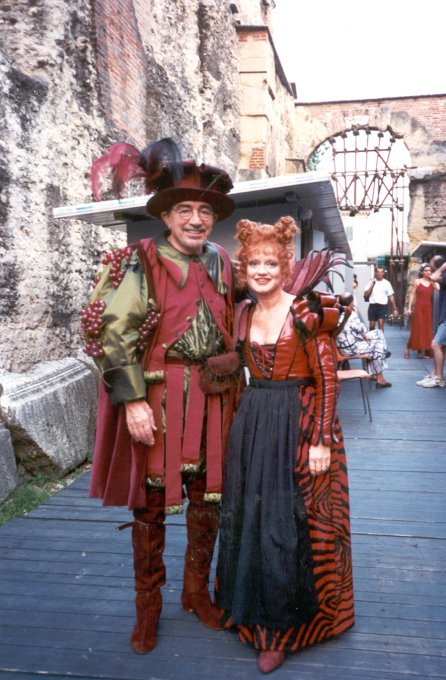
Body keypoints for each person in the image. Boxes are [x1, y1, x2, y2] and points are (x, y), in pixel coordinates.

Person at [82, 140, 238, 654]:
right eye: (184, 210)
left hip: (214, 401)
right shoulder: (142, 261)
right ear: (167, 216)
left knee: (208, 503)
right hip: (159, 403)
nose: (196, 219)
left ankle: (196, 593)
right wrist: (132, 402)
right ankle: (147, 608)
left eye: (205, 211)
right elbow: (114, 332)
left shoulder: (222, 261)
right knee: (149, 509)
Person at [216, 218, 354, 674]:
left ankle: (281, 632)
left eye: (270, 263)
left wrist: (321, 440)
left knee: (287, 524)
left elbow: (328, 379)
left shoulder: (306, 313)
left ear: (284, 267)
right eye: (253, 263)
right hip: (255, 420)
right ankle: (248, 611)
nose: (261, 270)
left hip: (300, 422)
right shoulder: (242, 312)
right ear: (244, 268)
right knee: (252, 518)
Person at [336, 292, 392, 388]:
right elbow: (363, 330)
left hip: (343, 348)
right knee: (378, 347)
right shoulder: (351, 315)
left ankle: (377, 375)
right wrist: (356, 314)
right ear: (351, 303)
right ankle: (380, 376)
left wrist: (364, 336)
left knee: (378, 333)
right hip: (352, 349)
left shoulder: (337, 313)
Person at [416, 255, 446, 388]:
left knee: (435, 344)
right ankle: (435, 375)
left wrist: (444, 266)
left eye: (431, 263)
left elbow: (433, 277)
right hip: (443, 317)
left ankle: (438, 378)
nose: (428, 265)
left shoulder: (443, 274)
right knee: (441, 347)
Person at [404, 263, 439, 359]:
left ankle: (428, 349)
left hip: (429, 308)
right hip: (419, 307)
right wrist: (409, 308)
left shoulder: (432, 282)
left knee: (428, 328)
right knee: (418, 328)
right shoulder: (417, 282)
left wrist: (433, 279)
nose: (428, 272)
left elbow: (438, 288)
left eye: (429, 271)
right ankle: (418, 350)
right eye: (426, 271)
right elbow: (412, 294)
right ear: (422, 272)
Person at [364, 266, 399, 332]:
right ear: (376, 273)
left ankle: (381, 338)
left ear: (383, 273)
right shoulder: (371, 282)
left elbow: (391, 296)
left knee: (381, 324)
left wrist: (395, 308)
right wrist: (371, 285)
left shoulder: (387, 283)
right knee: (371, 326)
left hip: (382, 306)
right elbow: (366, 294)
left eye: (381, 272)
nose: (379, 274)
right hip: (373, 306)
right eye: (378, 272)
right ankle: (372, 338)